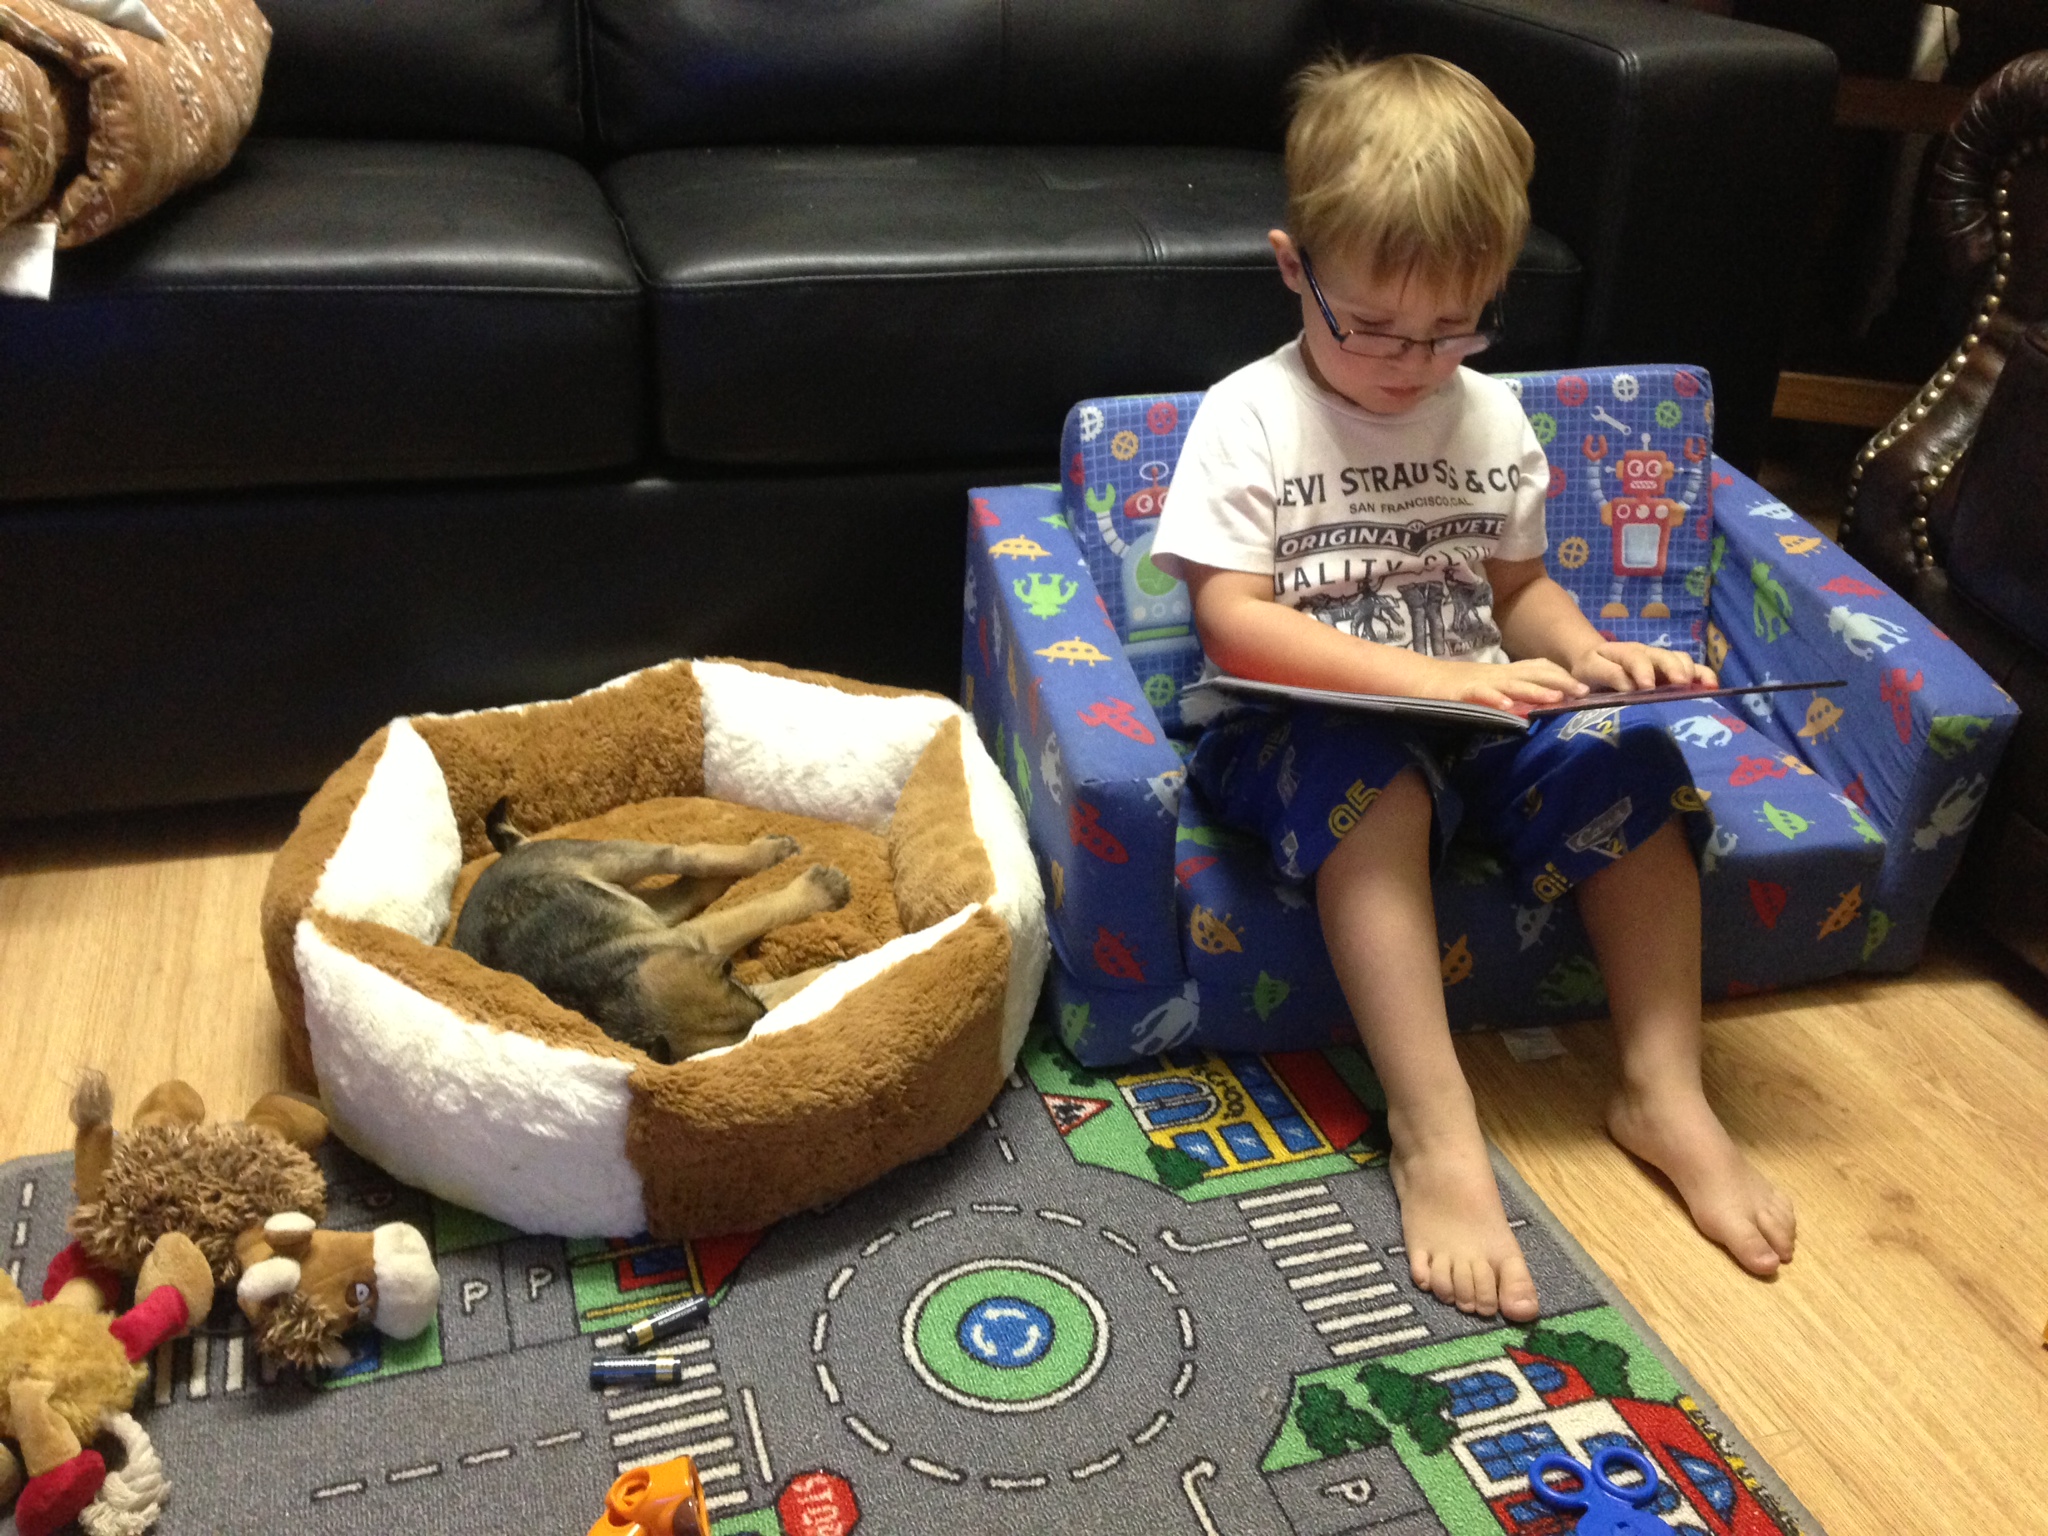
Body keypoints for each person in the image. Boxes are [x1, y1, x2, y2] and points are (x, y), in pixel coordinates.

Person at [1150, 53, 1796, 1321]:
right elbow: (1232, 629)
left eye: (1455, 328)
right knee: (1372, 783)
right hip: (1293, 727)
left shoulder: (1486, 416)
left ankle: (1662, 1089)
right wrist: (1422, 675)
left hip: (1478, 712)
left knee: (1626, 760)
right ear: (1295, 270)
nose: (1411, 361)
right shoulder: (1250, 416)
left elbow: (1516, 594)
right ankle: (1435, 1129)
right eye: (1374, 328)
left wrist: (1589, 652)